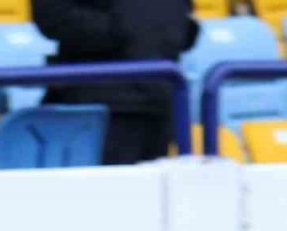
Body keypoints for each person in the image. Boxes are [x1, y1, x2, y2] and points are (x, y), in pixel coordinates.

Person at [33, 0, 198, 165]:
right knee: (99, 186)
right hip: (98, 103)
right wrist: (123, 30)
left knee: (148, 185)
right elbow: (52, 15)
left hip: (157, 97)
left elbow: (186, 27)